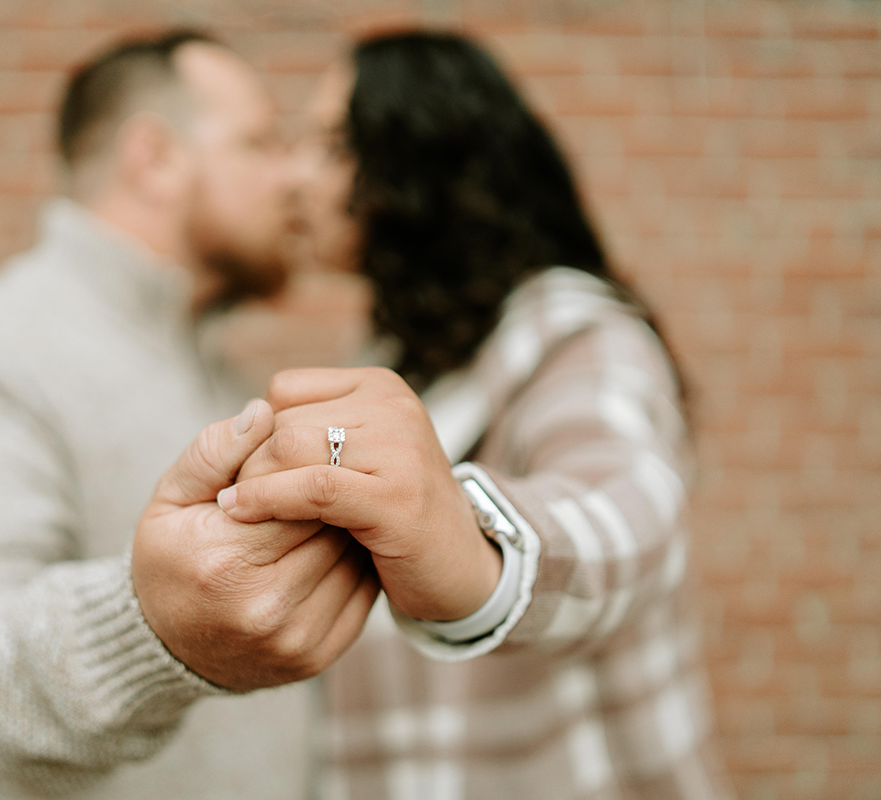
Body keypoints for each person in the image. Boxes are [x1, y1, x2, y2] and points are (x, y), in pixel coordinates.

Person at [0, 31, 379, 799]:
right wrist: (152, 630)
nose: (295, 175)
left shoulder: (226, 377)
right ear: (154, 158)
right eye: (261, 141)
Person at [220, 31, 735, 798]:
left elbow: (631, 514)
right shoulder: (398, 349)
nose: (297, 175)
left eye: (332, 145)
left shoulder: (575, 333)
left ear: (415, 162)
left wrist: (473, 559)